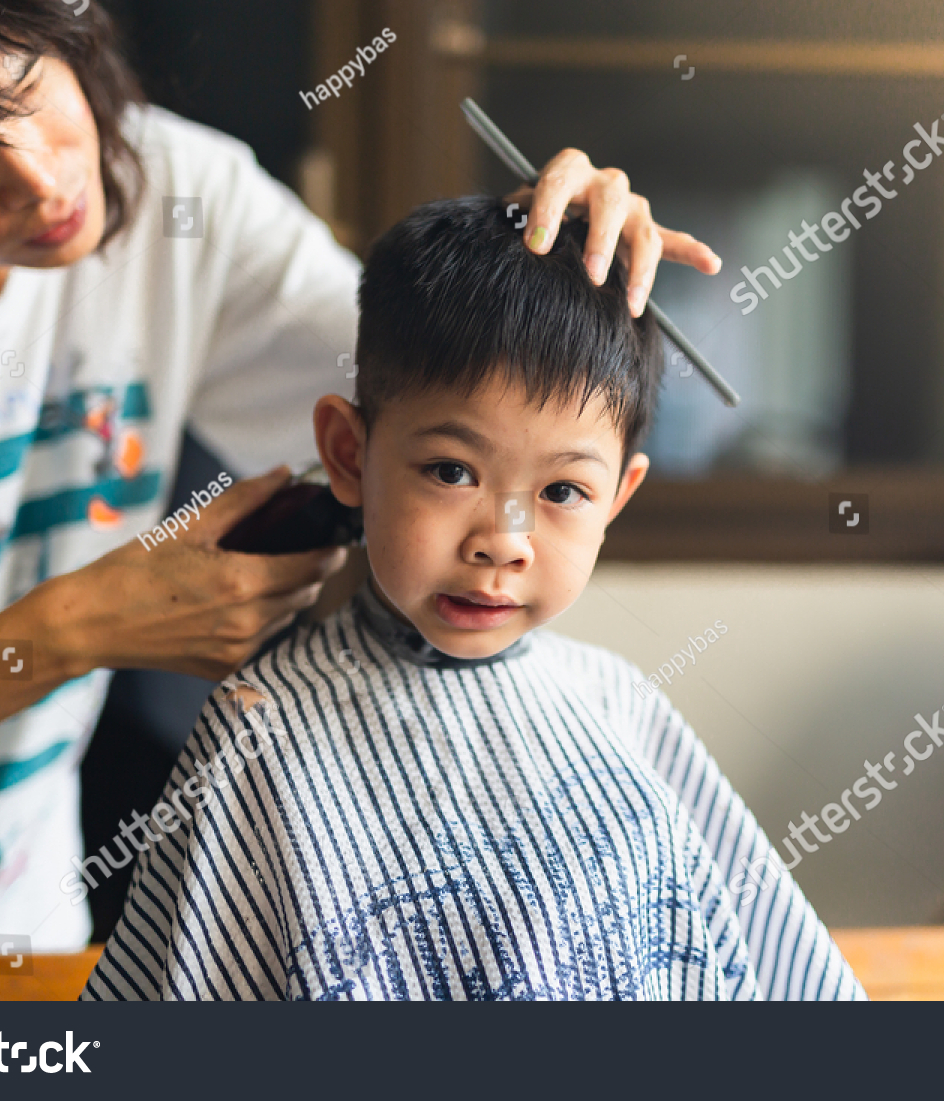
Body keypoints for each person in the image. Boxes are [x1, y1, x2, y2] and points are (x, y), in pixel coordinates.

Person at [0, 2, 721, 1000]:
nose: (40, 178)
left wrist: (532, 278)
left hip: (17, 941)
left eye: (27, 90)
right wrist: (72, 630)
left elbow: (433, 401)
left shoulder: (179, 195)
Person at [82, 197, 862, 1000]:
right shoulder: (261, 730)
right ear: (349, 454)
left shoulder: (619, 704)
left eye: (562, 488)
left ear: (618, 497)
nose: (504, 539)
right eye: (452, 472)